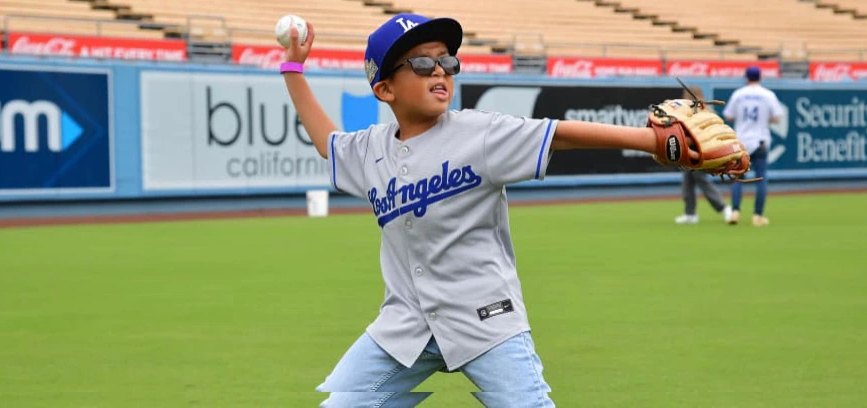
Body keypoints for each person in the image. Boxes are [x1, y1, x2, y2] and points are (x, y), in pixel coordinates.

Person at [280, 13, 736, 407]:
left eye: (447, 61)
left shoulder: (479, 133)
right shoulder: (371, 151)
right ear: (384, 88)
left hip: (487, 319)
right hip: (406, 327)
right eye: (421, 63)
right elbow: (329, 144)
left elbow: (559, 133)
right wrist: (292, 68)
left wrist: (651, 141)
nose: (440, 70)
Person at [722, 66, 785, 227]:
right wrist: (765, 120)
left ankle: (735, 211)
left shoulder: (738, 94)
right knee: (761, 178)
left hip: (741, 141)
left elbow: (728, 115)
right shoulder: (768, 95)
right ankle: (757, 216)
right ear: (760, 77)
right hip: (760, 140)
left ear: (746, 78)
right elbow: (778, 118)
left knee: (737, 177)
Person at [673, 84, 732, 225]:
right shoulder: (700, 109)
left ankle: (724, 208)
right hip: (691, 152)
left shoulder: (698, 110)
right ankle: (690, 213)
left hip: (699, 152)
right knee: (687, 182)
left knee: (702, 181)